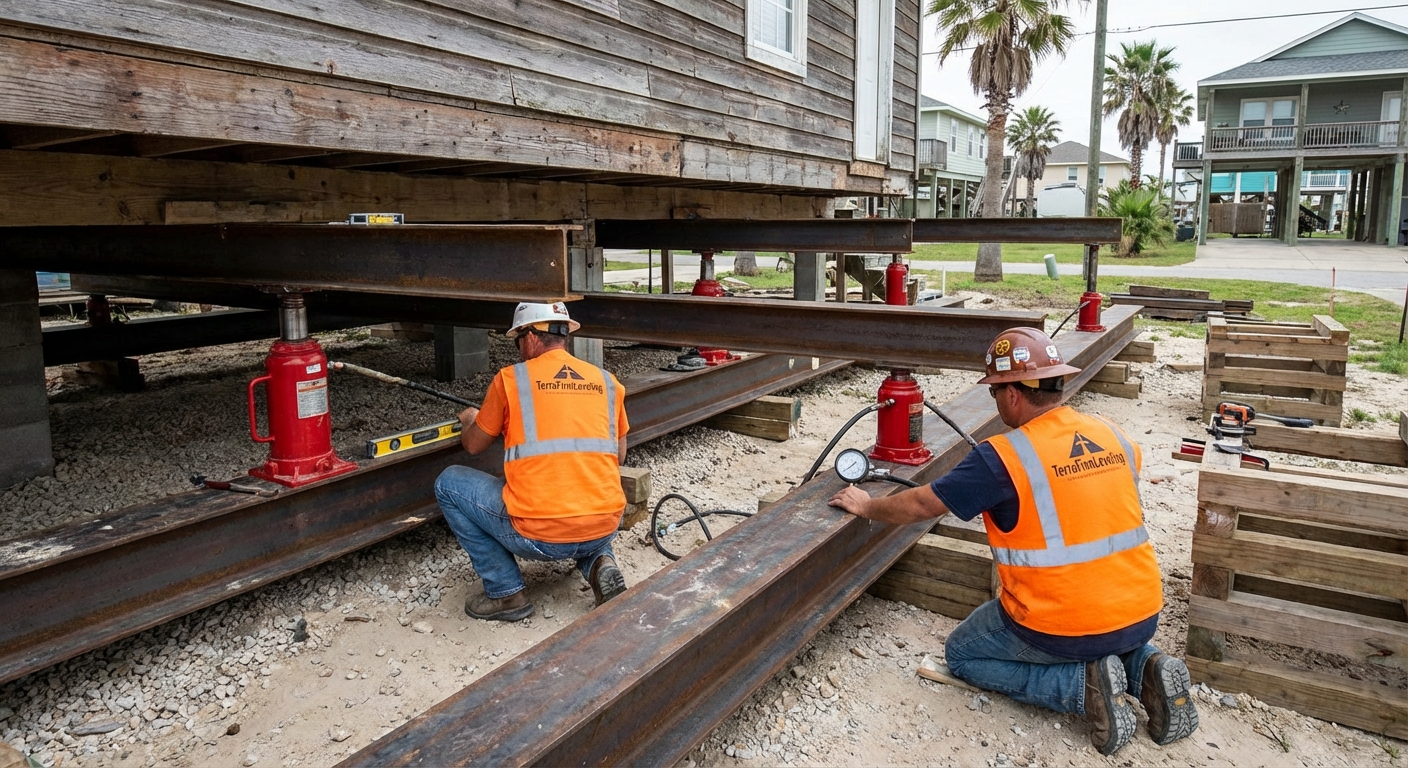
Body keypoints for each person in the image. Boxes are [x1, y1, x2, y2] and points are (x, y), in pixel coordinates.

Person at [828, 327, 1197, 755]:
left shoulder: (1002, 457)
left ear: (1013, 395)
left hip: (1061, 627)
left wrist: (867, 505)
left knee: (964, 654)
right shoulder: (1112, 434)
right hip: (1141, 611)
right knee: (1109, 634)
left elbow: (922, 505)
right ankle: (1144, 666)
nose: (996, 401)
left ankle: (1083, 688)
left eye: (994, 392)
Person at [435, 302, 629, 622]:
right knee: (584, 495)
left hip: (539, 538)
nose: (519, 349)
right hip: (605, 526)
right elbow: (617, 456)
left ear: (531, 336)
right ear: (563, 335)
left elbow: (473, 445)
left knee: (448, 482)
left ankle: (506, 592)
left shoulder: (511, 380)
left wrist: (472, 419)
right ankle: (600, 563)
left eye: (518, 340)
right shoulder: (607, 381)